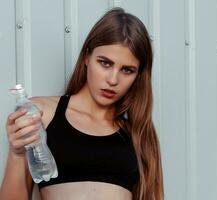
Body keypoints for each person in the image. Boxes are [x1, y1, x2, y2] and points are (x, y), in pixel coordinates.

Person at [0, 7, 164, 200]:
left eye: (127, 70)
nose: (113, 79)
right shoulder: (42, 114)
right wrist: (17, 154)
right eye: (105, 63)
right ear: (87, 57)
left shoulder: (138, 132)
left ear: (138, 75)